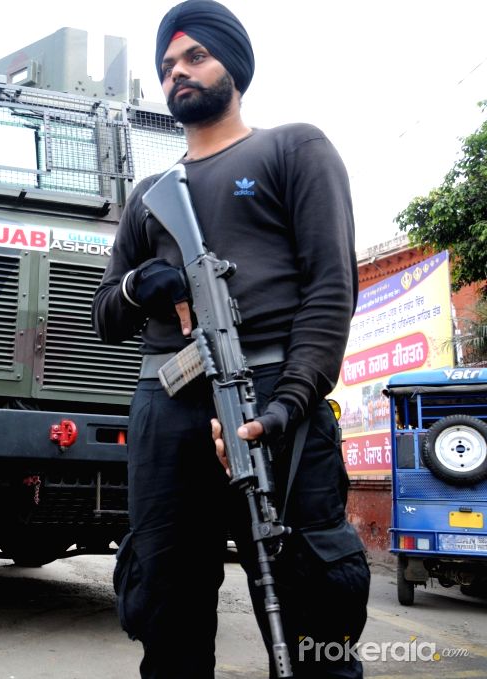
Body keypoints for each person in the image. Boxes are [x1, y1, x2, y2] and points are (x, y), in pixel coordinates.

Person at [92, 2, 369, 677]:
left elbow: (331, 289)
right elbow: (103, 314)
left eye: (194, 57)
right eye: (167, 67)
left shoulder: (292, 148)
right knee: (166, 613)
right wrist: (140, 288)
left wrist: (288, 406)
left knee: (312, 621)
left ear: (233, 67)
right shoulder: (152, 196)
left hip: (273, 398)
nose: (178, 73)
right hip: (168, 402)